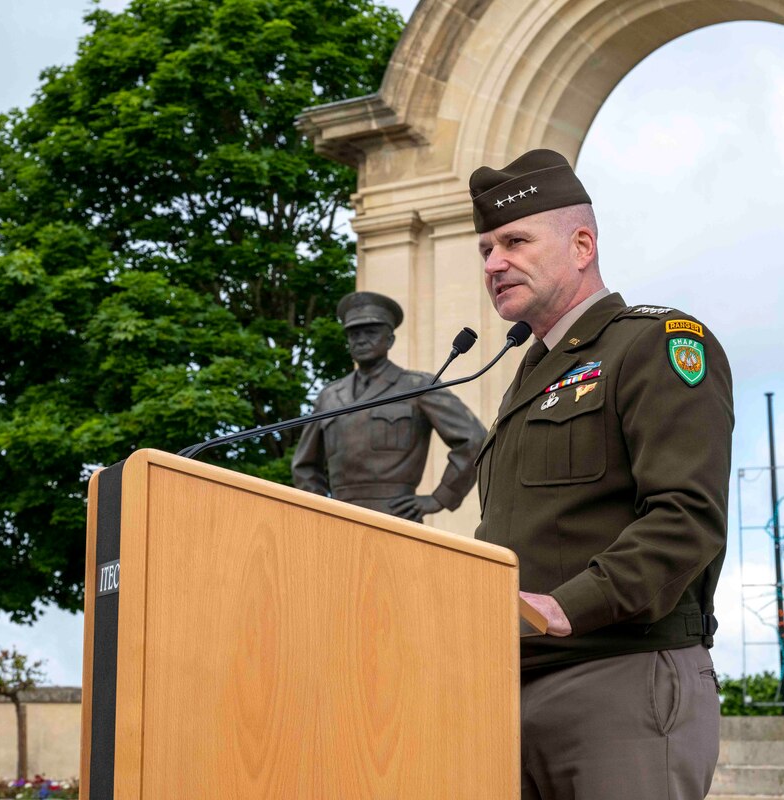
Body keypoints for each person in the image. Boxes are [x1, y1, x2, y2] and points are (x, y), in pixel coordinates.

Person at [469, 149, 733, 800]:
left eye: (514, 241)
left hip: (620, 680)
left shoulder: (655, 344)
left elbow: (685, 516)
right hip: (511, 691)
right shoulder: (527, 377)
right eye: (485, 250)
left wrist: (565, 607)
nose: (493, 263)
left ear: (581, 243)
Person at [291, 291, 486, 521]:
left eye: (371, 332)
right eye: (354, 334)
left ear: (390, 340)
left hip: (397, 517)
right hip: (339, 519)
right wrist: (319, 508)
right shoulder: (329, 396)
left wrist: (440, 497)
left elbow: (474, 439)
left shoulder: (416, 386)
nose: (361, 339)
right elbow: (304, 465)